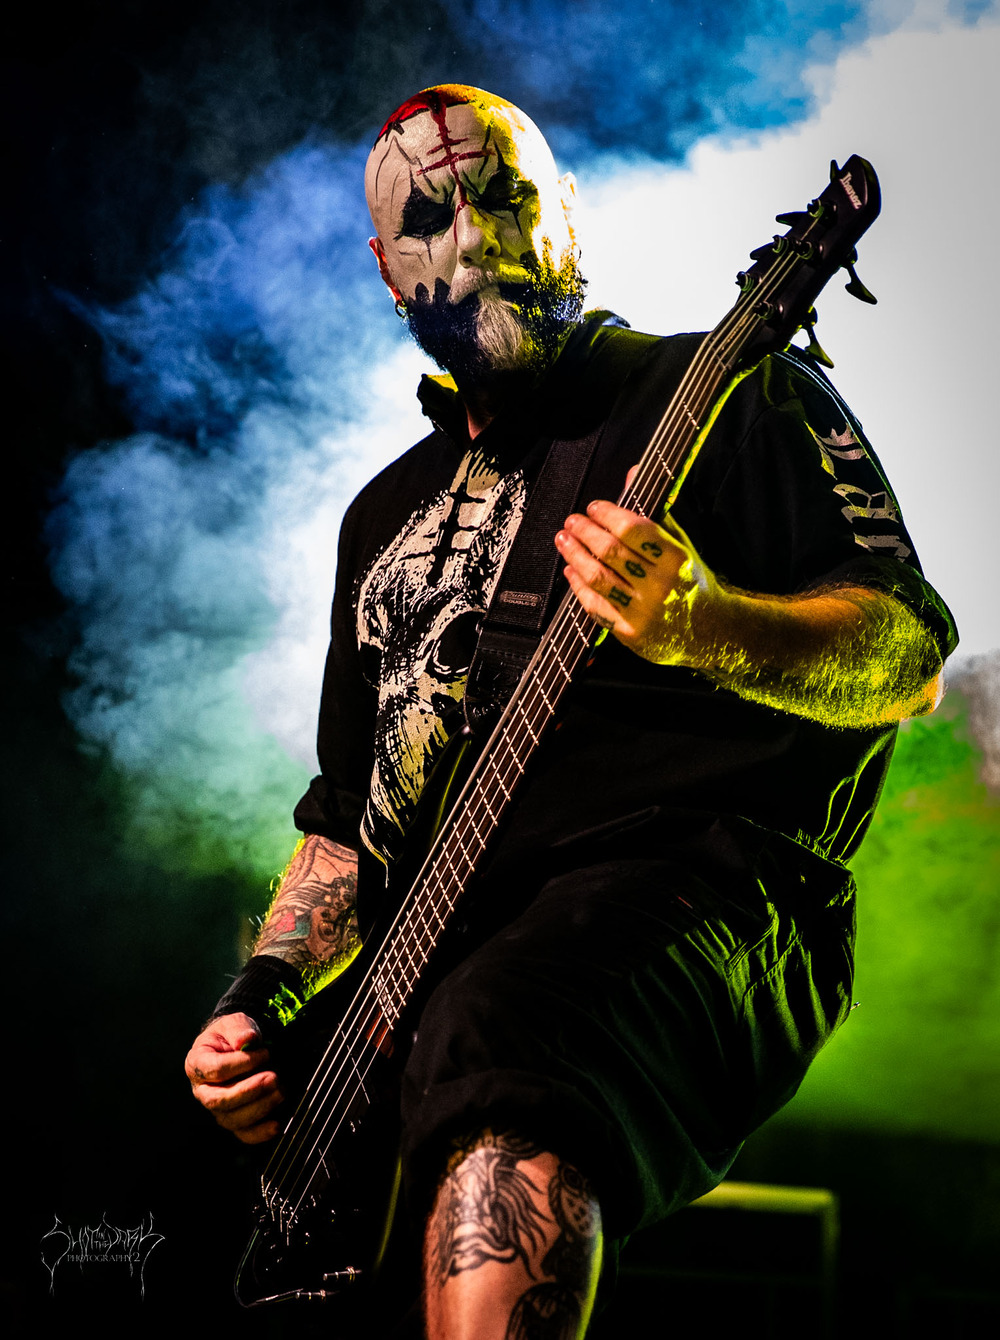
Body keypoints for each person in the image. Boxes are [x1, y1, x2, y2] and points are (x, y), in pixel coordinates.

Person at [185, 85, 957, 1338]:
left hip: (692, 896)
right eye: (428, 218)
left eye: (506, 197)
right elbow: (348, 822)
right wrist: (261, 994)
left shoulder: (729, 390)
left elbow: (905, 654)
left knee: (507, 1018)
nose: (474, 237)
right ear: (384, 268)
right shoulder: (380, 518)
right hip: (442, 967)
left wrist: (707, 623)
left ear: (569, 212)